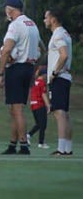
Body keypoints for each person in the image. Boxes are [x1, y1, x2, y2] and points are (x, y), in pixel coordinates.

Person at [0, 0, 40, 155]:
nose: (5, 12)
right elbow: (40, 48)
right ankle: (12, 144)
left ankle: (24, 145)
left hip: (16, 68)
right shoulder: (32, 24)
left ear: (10, 9)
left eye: (6, 8)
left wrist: (0, 73)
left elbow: (7, 50)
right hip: (28, 68)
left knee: (17, 109)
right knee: (15, 109)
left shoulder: (15, 25)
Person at [44, 8, 73, 156]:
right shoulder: (65, 33)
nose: (44, 20)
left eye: (46, 18)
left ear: (53, 20)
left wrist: (54, 72)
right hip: (65, 77)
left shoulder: (58, 34)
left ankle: (62, 149)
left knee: (59, 112)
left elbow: (64, 55)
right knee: (65, 113)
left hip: (59, 77)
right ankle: (67, 148)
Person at [27, 67, 50, 148]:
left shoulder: (34, 82)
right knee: (43, 125)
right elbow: (43, 94)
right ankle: (41, 143)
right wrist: (48, 105)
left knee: (39, 124)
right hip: (40, 105)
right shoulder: (42, 83)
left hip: (33, 105)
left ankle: (28, 135)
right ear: (43, 74)